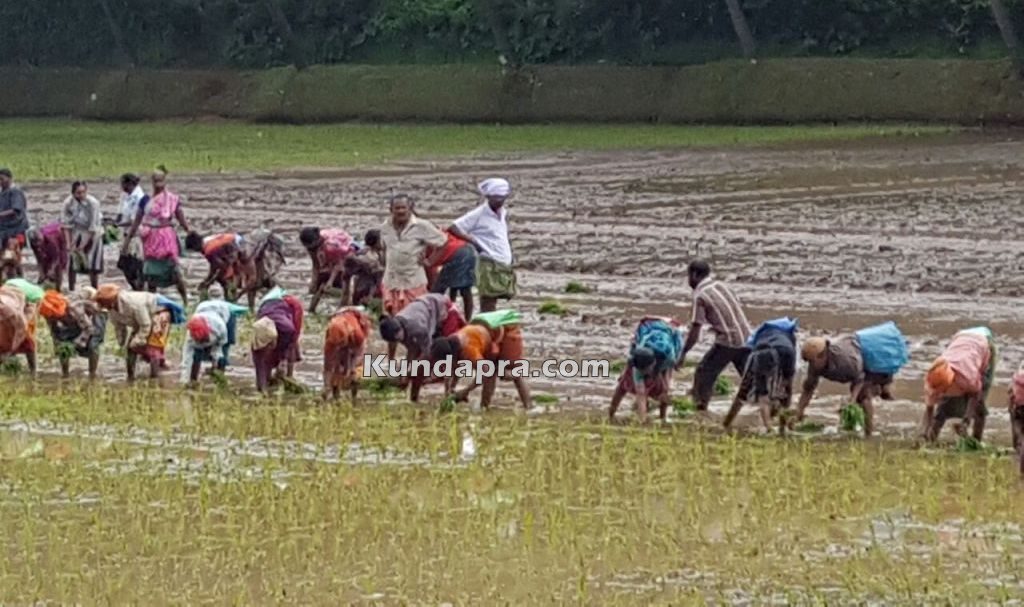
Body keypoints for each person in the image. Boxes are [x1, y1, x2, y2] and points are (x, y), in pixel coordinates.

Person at [796, 323, 906, 437]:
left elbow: (860, 378)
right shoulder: (815, 366)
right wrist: (798, 412)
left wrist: (851, 401)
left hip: (867, 362)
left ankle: (869, 432)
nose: (811, 366)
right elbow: (808, 389)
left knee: (863, 396)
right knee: (881, 393)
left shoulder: (845, 361)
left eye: (812, 361)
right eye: (808, 362)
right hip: (856, 354)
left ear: (824, 354)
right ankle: (885, 391)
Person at [678, 260, 752, 411]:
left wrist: (683, 353)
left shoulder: (700, 296)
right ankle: (767, 405)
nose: (688, 281)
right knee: (750, 378)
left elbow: (695, 330)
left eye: (688, 276)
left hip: (728, 340)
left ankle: (699, 407)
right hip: (747, 337)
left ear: (694, 275)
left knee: (704, 372)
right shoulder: (721, 286)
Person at [428, 312, 532, 410]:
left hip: (506, 328)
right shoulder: (451, 341)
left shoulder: (469, 350)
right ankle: (485, 407)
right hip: (487, 334)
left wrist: (465, 391)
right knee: (492, 371)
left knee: (505, 372)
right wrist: (449, 391)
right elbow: (454, 368)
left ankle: (528, 406)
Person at [378, 293, 466, 401]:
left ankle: (450, 393)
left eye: (397, 339)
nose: (398, 342)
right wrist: (404, 372)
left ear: (400, 330)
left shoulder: (418, 328)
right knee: (419, 368)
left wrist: (409, 374)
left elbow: (427, 354)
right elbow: (412, 349)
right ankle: (414, 400)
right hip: (427, 311)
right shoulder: (395, 325)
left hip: (445, 311)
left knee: (451, 356)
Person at [124, 168, 193, 305]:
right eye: (155, 181)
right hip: (150, 239)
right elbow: (137, 221)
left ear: (165, 181)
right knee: (150, 274)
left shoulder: (172, 199)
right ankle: (152, 303)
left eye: (161, 181)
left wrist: (190, 232)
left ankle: (185, 301)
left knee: (174, 270)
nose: (158, 184)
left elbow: (181, 218)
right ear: (152, 182)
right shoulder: (145, 200)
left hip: (166, 239)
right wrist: (127, 241)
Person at [450, 178, 515, 313]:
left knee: (496, 297)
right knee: (488, 300)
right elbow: (454, 227)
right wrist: (473, 242)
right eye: (496, 197)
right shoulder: (479, 214)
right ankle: (485, 329)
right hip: (488, 261)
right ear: (488, 197)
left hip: (502, 261)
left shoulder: (502, 212)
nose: (499, 201)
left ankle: (488, 329)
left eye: (502, 198)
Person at [94, 283, 185, 381]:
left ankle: (153, 380)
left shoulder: (133, 304)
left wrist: (139, 340)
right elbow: (119, 327)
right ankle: (131, 377)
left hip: (158, 312)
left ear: (110, 302)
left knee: (153, 348)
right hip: (140, 319)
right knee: (130, 348)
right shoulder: (111, 310)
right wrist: (121, 341)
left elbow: (145, 325)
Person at [922, 327, 997, 443]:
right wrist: (923, 434)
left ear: (952, 382)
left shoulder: (967, 378)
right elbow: (929, 410)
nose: (940, 393)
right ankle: (931, 439)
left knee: (980, 404)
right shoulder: (933, 377)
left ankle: (976, 440)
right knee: (943, 406)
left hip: (983, 342)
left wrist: (966, 421)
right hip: (960, 338)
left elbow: (976, 395)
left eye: (944, 390)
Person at [723, 318, 798, 434]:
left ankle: (728, 423)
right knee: (786, 390)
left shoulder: (761, 333)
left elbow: (748, 347)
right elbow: (788, 380)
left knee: (754, 392)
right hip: (788, 352)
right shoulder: (790, 335)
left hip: (763, 352)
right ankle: (784, 427)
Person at [379, 195, 447, 316]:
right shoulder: (385, 227)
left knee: (414, 315)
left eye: (403, 208)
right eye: (397, 208)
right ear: (391, 210)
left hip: (413, 281)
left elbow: (443, 243)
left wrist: (430, 262)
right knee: (392, 317)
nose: (400, 211)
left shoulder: (422, 226)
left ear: (410, 208)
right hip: (391, 280)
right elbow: (384, 248)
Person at [608, 317, 684, 424]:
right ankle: (611, 413)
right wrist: (642, 421)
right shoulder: (636, 356)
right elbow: (641, 393)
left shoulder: (668, 358)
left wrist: (664, 387)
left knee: (664, 389)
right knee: (623, 385)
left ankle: (663, 418)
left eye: (645, 371)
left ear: (652, 364)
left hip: (667, 335)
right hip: (649, 332)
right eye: (642, 371)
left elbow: (667, 380)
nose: (643, 373)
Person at [180, 284, 249, 387]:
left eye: (204, 341)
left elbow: (220, 346)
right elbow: (186, 358)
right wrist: (184, 380)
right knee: (196, 354)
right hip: (203, 315)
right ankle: (193, 379)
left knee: (223, 351)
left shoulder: (220, 328)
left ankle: (220, 375)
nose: (203, 343)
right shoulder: (191, 334)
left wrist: (215, 359)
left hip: (224, 317)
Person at [39, 287, 105, 379]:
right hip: (78, 317)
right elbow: (54, 332)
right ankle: (65, 374)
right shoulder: (49, 313)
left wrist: (78, 342)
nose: (51, 320)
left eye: (53, 317)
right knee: (62, 345)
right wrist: (57, 344)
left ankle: (92, 374)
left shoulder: (74, 309)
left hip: (96, 306)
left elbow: (89, 328)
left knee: (93, 344)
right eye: (49, 318)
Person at [251, 289, 304, 393]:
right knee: (262, 360)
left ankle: (288, 376)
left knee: (291, 344)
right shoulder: (259, 335)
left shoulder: (287, 326)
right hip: (267, 311)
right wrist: (261, 387)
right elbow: (259, 364)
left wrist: (283, 359)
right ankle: (266, 382)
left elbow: (294, 334)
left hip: (285, 310)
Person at [300, 226, 355, 314]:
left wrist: (330, 281)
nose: (308, 249)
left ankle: (344, 309)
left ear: (316, 241)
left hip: (345, 255)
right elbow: (315, 264)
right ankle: (311, 310)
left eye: (309, 246)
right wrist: (313, 281)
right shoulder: (311, 248)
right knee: (317, 286)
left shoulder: (330, 246)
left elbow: (338, 264)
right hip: (330, 256)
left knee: (342, 284)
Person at [425, 228, 477, 320]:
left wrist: (430, 289)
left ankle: (442, 317)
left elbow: (431, 270)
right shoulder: (434, 230)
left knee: (437, 290)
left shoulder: (424, 241)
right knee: (463, 288)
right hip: (468, 250)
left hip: (457, 254)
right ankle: (464, 319)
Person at [61, 181, 104, 290]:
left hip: (93, 233)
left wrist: (83, 245)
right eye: (78, 193)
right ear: (73, 193)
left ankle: (94, 289)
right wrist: (68, 244)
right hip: (77, 231)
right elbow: (66, 225)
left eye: (83, 192)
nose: (81, 195)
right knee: (72, 262)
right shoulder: (68, 203)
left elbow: (92, 227)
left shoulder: (93, 203)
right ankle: (71, 289)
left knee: (92, 264)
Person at [323, 307, 372, 402]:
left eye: (341, 343)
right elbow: (327, 364)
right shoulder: (330, 338)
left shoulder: (358, 335)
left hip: (357, 326)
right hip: (342, 322)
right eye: (336, 344)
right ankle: (335, 395)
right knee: (336, 368)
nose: (338, 346)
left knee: (356, 369)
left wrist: (350, 368)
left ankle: (354, 395)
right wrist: (326, 385)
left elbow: (358, 354)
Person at [235, 228, 286, 311]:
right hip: (260, 272)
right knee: (253, 289)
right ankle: (252, 308)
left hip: (263, 272)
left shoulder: (260, 250)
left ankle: (254, 308)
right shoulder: (255, 252)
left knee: (254, 289)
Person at [0, 279, 41, 375]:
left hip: (30, 297)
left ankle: (33, 371)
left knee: (27, 338)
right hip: (9, 289)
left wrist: (11, 350)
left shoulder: (10, 311)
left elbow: (22, 327)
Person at [116, 173, 148, 290]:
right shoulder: (126, 195)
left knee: (135, 266)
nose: (122, 187)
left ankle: (139, 289)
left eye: (123, 184)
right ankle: (136, 288)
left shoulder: (139, 198)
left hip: (135, 236)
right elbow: (121, 212)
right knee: (125, 266)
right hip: (126, 234)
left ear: (129, 184)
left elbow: (135, 222)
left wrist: (118, 224)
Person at [185, 231, 243, 297]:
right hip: (235, 239)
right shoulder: (206, 241)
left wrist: (208, 283)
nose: (198, 252)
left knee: (225, 279)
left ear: (196, 246)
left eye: (195, 250)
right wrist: (208, 280)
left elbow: (220, 267)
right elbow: (215, 267)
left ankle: (231, 296)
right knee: (224, 277)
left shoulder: (209, 250)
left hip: (237, 247)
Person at [342, 229, 384, 307]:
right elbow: (377, 275)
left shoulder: (374, 253)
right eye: (381, 240)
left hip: (362, 286)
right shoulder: (371, 256)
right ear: (376, 242)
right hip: (366, 289)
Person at [0, 168, 29, 280]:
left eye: (2, 179)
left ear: (10, 179)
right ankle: (20, 281)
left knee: (10, 259)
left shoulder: (15, 192)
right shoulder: (2, 193)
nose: (0, 182)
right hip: (4, 231)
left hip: (15, 232)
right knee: (11, 259)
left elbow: (15, 210)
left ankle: (15, 283)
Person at [26, 222, 67, 289]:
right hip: (46, 251)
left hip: (58, 248)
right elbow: (38, 258)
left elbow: (56, 258)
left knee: (58, 267)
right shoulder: (33, 243)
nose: (37, 244)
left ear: (41, 235)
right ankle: (47, 288)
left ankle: (58, 289)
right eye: (35, 242)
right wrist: (41, 272)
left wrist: (52, 269)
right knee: (45, 270)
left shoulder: (51, 240)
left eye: (38, 241)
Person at [1009, 363, 1024, 473]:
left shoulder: (1018, 375)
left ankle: (1017, 445)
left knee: (1018, 426)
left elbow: (1010, 392)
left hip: (1019, 407)